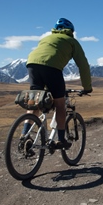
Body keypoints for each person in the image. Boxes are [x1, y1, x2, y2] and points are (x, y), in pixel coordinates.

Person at [23, 18, 92, 149]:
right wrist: (87, 88)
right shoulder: (72, 41)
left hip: (31, 64)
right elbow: (83, 66)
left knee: (34, 102)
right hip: (52, 67)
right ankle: (61, 139)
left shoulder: (45, 39)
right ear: (71, 31)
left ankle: (24, 136)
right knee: (60, 104)